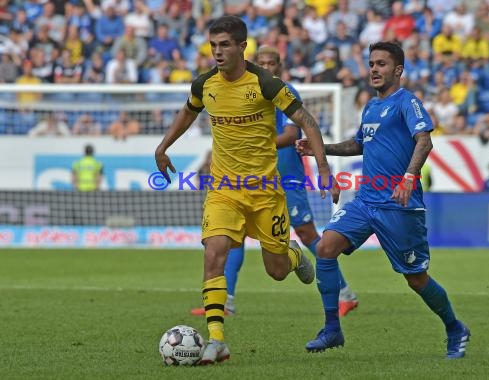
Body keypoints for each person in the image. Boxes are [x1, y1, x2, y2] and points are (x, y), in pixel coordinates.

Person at [154, 16, 339, 365]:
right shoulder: (205, 85)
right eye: (214, 45)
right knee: (214, 253)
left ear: (242, 46)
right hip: (224, 190)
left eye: (225, 45)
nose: (218, 52)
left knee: (277, 270)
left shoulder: (266, 84)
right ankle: (217, 339)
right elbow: (187, 112)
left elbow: (306, 122)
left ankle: (295, 254)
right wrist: (162, 147)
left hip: (266, 193)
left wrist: (324, 169)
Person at [297, 41, 470, 359]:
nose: (374, 69)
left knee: (416, 280)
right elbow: (359, 144)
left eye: (381, 64)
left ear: (398, 70)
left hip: (399, 205)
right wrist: (320, 148)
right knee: (325, 248)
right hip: (365, 201)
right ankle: (332, 329)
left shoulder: (407, 102)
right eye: (371, 63)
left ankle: (454, 327)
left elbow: (424, 140)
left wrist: (408, 178)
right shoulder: (371, 107)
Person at [190, 46, 358, 318]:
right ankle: (226, 302)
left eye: (272, 62)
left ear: (280, 66)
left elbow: (292, 134)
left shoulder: (280, 91)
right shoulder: (247, 90)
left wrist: (252, 144)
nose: (267, 66)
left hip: (286, 177)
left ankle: (345, 292)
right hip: (251, 180)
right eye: (263, 62)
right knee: (235, 238)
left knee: (306, 235)